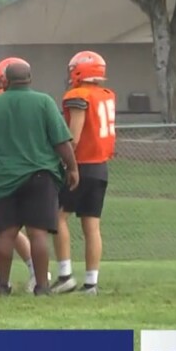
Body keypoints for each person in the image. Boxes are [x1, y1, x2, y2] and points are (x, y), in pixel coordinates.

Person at [0, 57, 79, 296]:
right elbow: (62, 141)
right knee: (38, 233)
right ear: (29, 79)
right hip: (40, 175)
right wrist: (72, 168)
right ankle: (42, 286)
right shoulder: (44, 102)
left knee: (5, 234)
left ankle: (3, 286)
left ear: (6, 80)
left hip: (2, 176)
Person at [51, 51, 116, 296]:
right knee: (92, 226)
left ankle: (65, 275)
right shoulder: (106, 95)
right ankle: (91, 283)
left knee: (57, 218)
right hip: (101, 166)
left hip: (81, 165)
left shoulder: (79, 95)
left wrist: (62, 160)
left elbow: (74, 137)